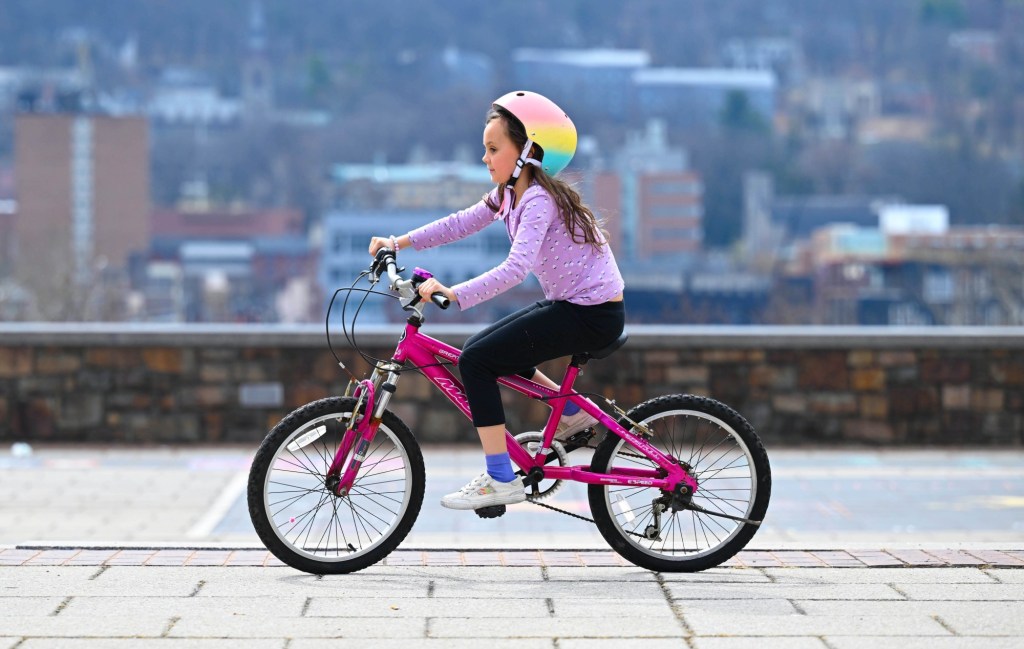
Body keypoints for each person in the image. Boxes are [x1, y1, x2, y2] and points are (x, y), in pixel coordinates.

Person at [369, 91, 625, 511]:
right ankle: (573, 416)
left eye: (493, 149)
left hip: (591, 314)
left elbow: (515, 269)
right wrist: (397, 242)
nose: (485, 158)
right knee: (490, 350)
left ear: (526, 152)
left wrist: (454, 294)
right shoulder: (510, 195)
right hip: (577, 307)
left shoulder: (538, 201)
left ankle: (500, 477)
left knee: (476, 361)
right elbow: (458, 224)